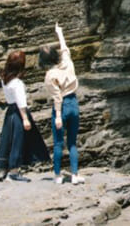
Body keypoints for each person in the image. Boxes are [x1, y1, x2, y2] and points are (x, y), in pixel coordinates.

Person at [0, 49, 49, 181]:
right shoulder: (17, 83)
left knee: (8, 140)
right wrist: (25, 119)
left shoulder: (4, 78)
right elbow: (21, 102)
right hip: (18, 112)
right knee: (18, 141)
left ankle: (5, 169)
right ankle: (13, 172)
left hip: (10, 112)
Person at [39, 22, 84, 185]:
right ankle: (74, 175)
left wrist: (58, 115)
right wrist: (59, 33)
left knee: (58, 143)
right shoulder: (67, 62)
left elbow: (57, 97)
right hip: (73, 103)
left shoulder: (50, 75)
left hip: (62, 106)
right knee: (72, 142)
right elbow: (64, 48)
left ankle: (58, 175)